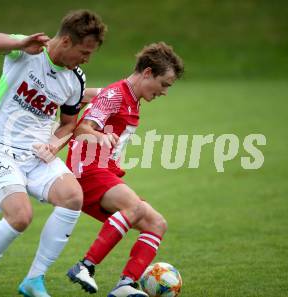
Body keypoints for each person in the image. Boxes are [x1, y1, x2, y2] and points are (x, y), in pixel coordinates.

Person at [0, 10, 106, 297]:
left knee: (73, 196)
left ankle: (34, 280)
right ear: (64, 41)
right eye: (84, 51)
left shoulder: (76, 80)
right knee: (20, 216)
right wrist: (19, 43)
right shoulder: (28, 50)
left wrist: (54, 144)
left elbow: (68, 124)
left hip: (36, 155)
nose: (86, 58)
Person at [65, 42, 184, 297]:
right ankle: (85, 266)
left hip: (103, 171)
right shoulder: (116, 94)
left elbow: (84, 99)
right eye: (164, 84)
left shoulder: (132, 99)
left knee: (156, 223)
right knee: (135, 207)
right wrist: (100, 136)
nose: (164, 92)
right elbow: (83, 127)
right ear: (148, 73)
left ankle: (125, 285)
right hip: (86, 170)